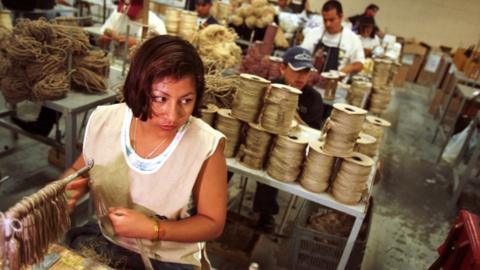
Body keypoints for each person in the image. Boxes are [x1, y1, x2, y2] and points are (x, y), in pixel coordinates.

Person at [64, 35, 227, 269]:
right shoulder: (106, 121)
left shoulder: (205, 146)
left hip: (168, 258)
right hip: (109, 239)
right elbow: (78, 171)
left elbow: (212, 223)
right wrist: (65, 192)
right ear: (139, 88)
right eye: (160, 99)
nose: (172, 115)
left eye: (186, 100)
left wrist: (154, 228)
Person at [254, 46, 324, 233]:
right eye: (297, 70)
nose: (302, 77)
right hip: (262, 140)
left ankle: (265, 214)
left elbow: (315, 136)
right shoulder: (270, 87)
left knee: (275, 162)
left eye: (306, 72)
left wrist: (293, 116)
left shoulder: (313, 98)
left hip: (291, 150)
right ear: (283, 68)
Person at [301, 0, 365, 75]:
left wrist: (342, 72)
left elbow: (359, 64)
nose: (328, 24)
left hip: (336, 84)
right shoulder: (314, 33)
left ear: (341, 17)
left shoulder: (352, 39)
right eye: (325, 20)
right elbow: (301, 55)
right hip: (311, 79)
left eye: (332, 20)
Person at [99, 0, 167, 48]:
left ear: (143, 6)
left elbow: (161, 52)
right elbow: (103, 34)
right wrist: (104, 39)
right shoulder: (118, 15)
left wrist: (137, 44)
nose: (125, 13)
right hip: (116, 63)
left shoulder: (156, 24)